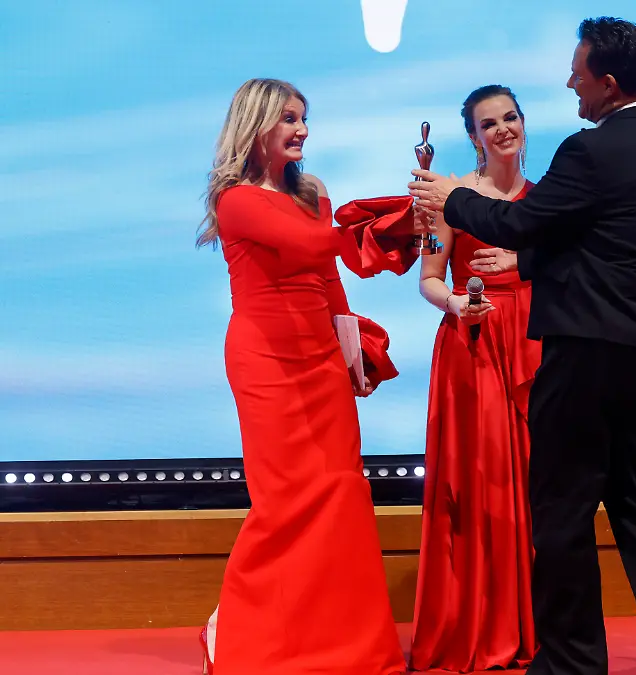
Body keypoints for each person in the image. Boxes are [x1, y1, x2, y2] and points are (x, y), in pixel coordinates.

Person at [409, 17, 636, 675]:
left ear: (609, 83)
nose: (570, 82)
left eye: (578, 71)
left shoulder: (591, 150)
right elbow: (611, 245)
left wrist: (450, 199)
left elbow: (521, 220)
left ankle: (570, 660)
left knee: (560, 506)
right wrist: (527, 267)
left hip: (591, 354)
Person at [196, 78, 407, 674]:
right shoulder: (235, 199)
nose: (302, 129)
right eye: (289, 118)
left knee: (340, 496)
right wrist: (392, 220)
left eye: (304, 118)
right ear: (257, 125)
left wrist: (352, 356)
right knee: (285, 504)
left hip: (319, 358)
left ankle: (349, 649)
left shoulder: (312, 193)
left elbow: (328, 276)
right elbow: (311, 242)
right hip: (266, 363)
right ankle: (240, 636)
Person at [408, 84, 540, 672]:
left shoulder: (549, 200)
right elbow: (430, 277)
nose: (503, 129)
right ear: (473, 136)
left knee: (537, 490)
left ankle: (528, 628)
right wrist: (460, 305)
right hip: (476, 347)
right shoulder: (449, 198)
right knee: (481, 484)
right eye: (489, 123)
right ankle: (478, 628)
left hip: (538, 349)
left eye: (511, 117)